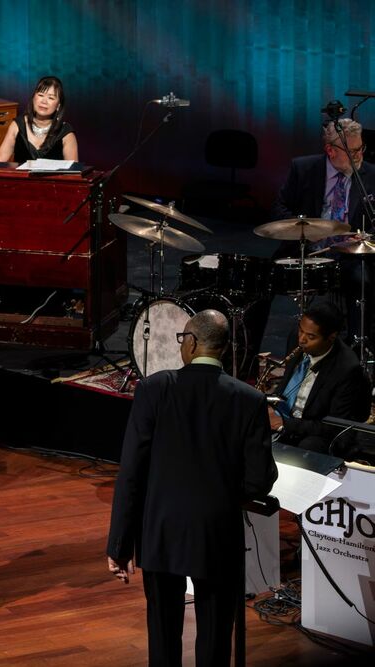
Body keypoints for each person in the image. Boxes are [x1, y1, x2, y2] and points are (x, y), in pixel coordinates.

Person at [106, 309, 277, 667]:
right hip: (217, 534)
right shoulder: (249, 399)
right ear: (225, 348)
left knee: (163, 636)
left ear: (193, 342)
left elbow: (131, 473)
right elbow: (260, 479)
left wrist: (119, 545)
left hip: (161, 531)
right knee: (215, 639)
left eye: (183, 339)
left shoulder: (153, 390)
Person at [272, 118, 375, 338]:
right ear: (330, 150)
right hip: (309, 250)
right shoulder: (304, 168)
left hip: (352, 255)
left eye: (361, 148)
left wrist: (365, 236)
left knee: (363, 282)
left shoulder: (371, 175)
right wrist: (305, 232)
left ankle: (357, 346)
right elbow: (280, 208)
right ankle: (248, 356)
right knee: (257, 284)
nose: (359, 155)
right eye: (352, 150)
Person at [269, 301, 371, 455]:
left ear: (331, 337)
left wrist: (287, 424)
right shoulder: (296, 339)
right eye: (300, 330)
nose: (302, 339)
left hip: (315, 432)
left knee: (310, 447)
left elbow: (334, 426)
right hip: (286, 419)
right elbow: (287, 384)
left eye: (311, 336)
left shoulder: (347, 369)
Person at [0, 75, 78, 163]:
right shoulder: (18, 125)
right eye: (41, 95)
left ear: (58, 106)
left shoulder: (65, 133)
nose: (44, 101)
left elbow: (73, 170)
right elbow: (0, 156)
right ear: (34, 98)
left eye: (51, 98)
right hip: (22, 180)